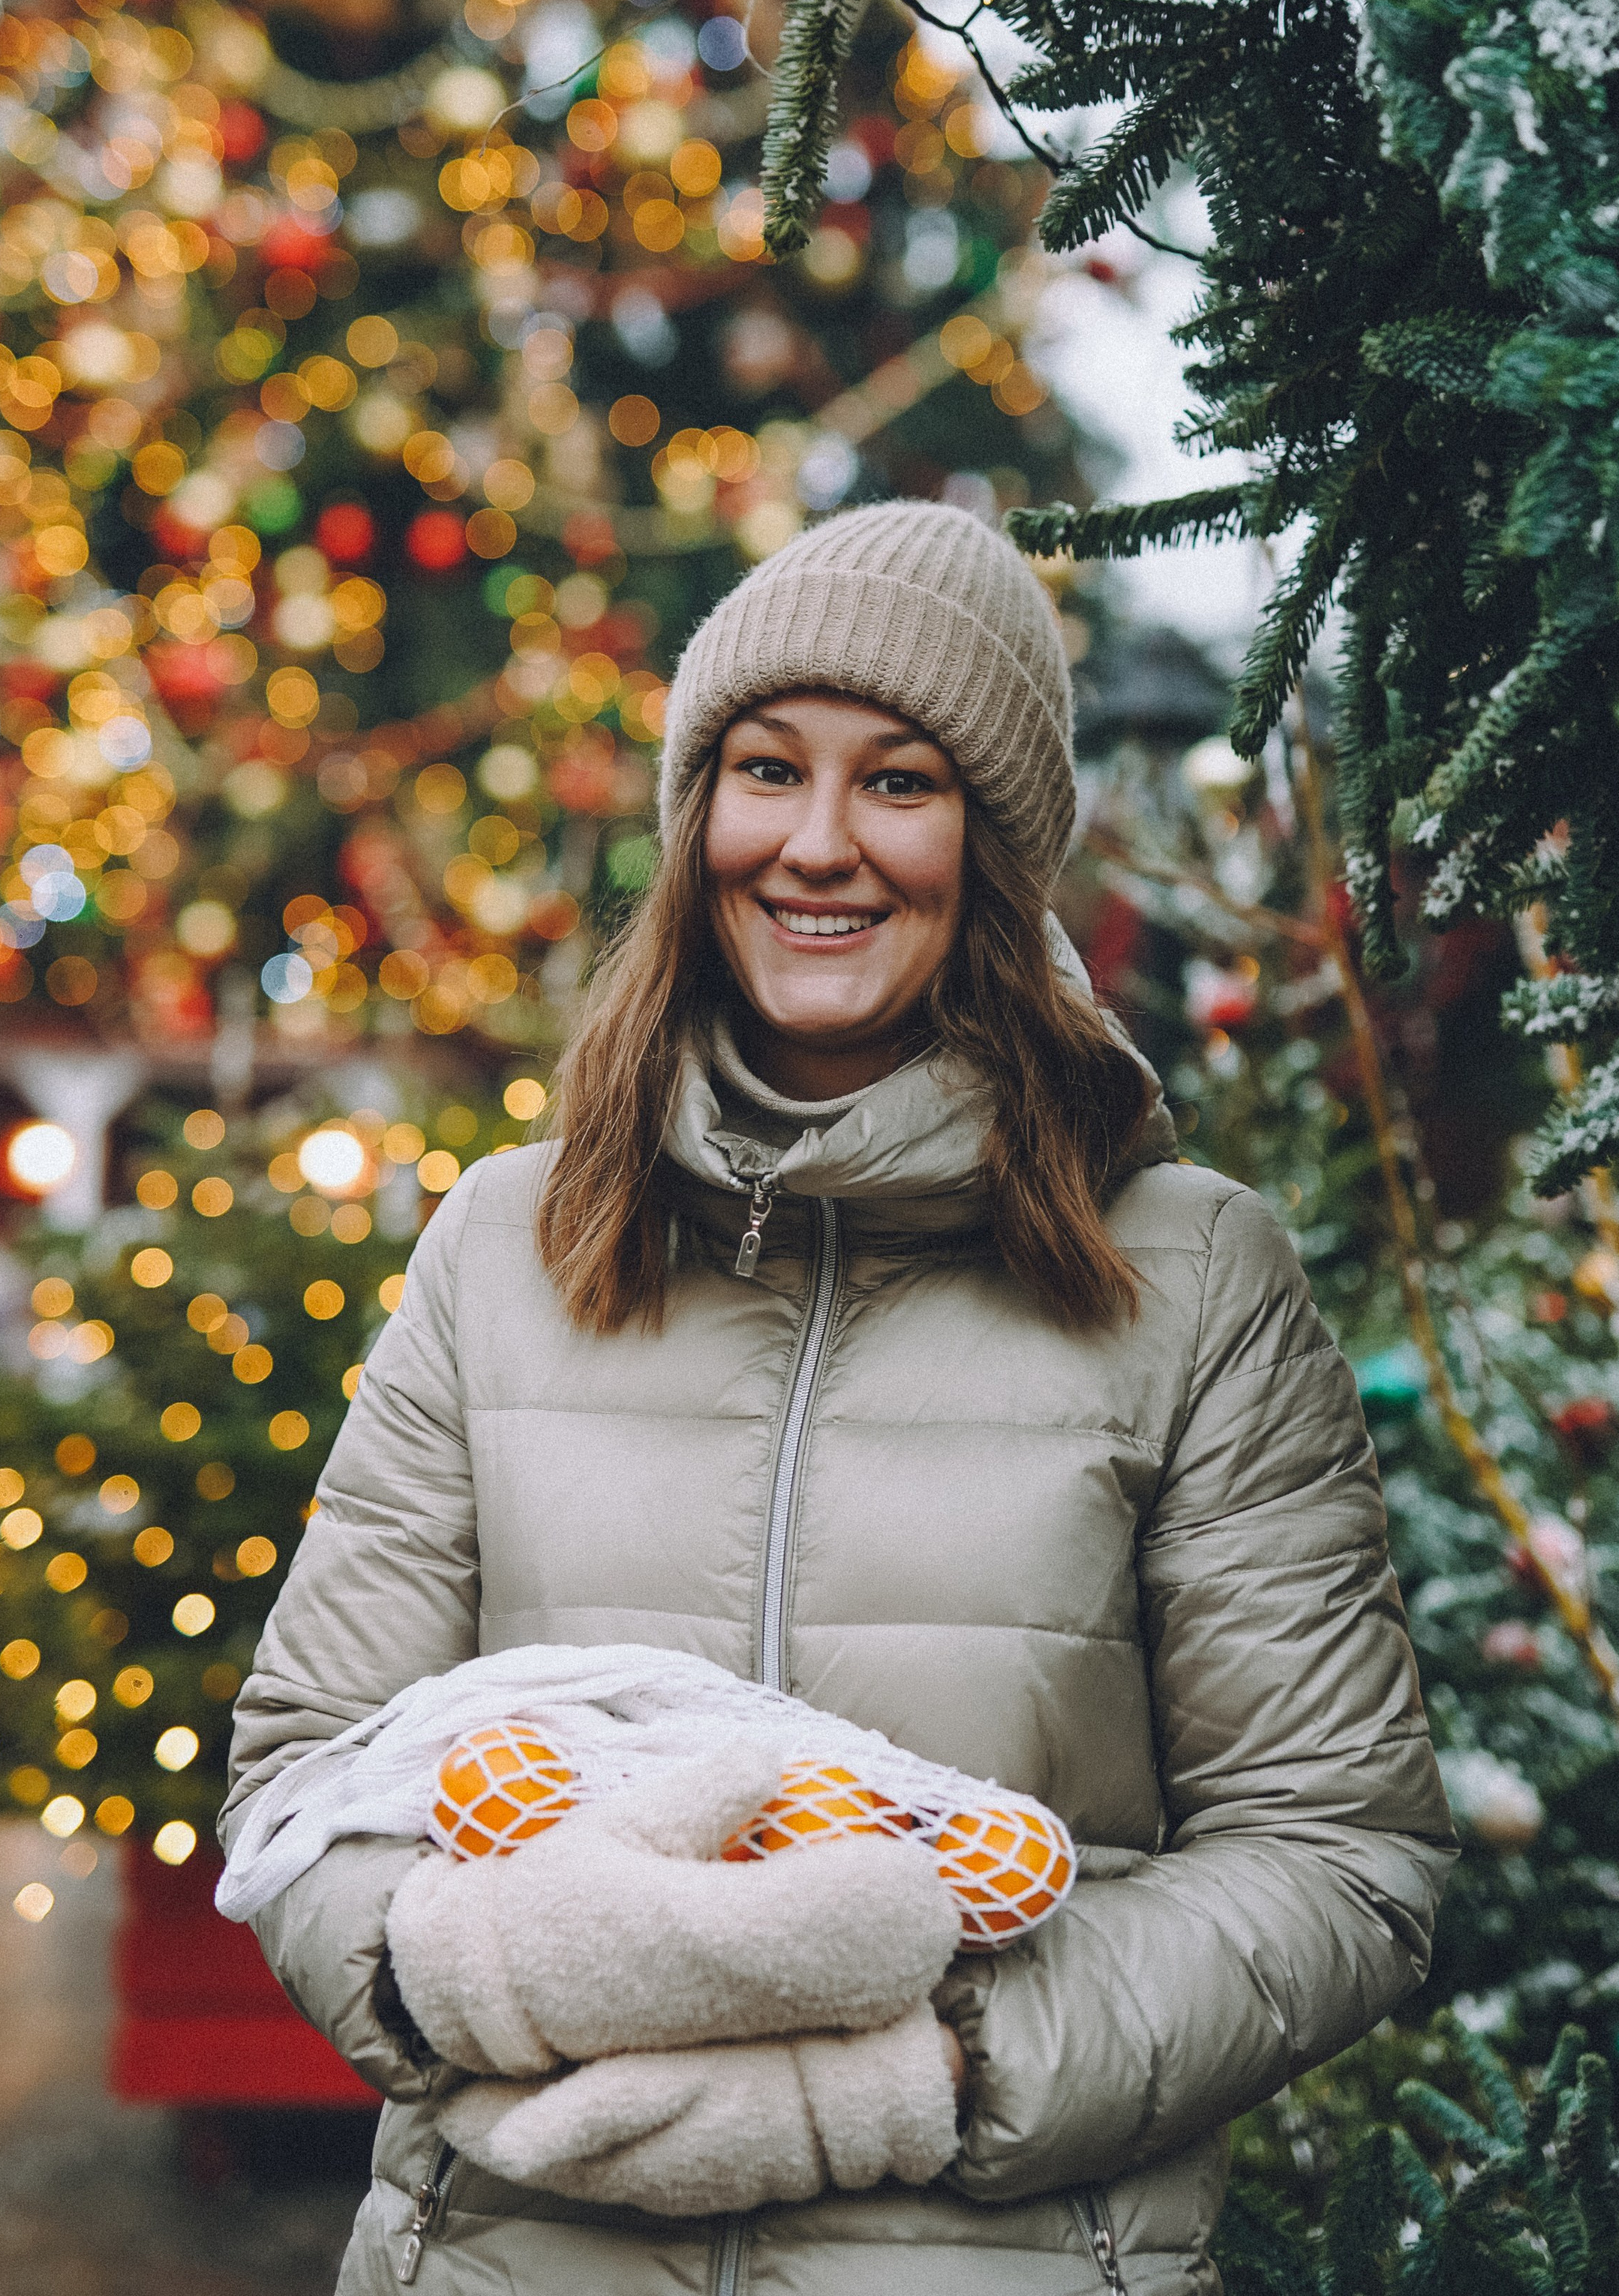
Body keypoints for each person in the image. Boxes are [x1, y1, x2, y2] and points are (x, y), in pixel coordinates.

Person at [223, 499, 1455, 2295]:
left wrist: (931, 2071)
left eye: (899, 783)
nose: (815, 847)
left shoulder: (1187, 1277)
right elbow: (307, 1777)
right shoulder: (503, 1245)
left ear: (996, 841)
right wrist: (476, 1972)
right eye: (763, 770)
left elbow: (1337, 1854)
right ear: (692, 813)